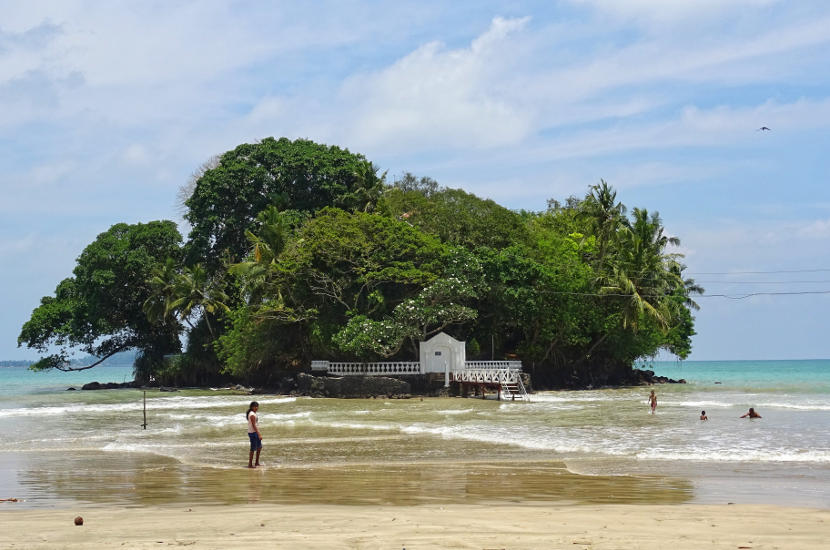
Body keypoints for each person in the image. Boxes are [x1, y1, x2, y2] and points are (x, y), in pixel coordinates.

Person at [246, 401, 262, 468]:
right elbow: (253, 425)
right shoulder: (252, 414)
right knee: (253, 449)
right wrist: (259, 434)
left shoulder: (253, 413)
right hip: (253, 433)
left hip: (254, 432)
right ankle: (250, 464)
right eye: (255, 406)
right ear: (252, 407)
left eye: (257, 406)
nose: (256, 408)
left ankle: (256, 462)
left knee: (259, 447)